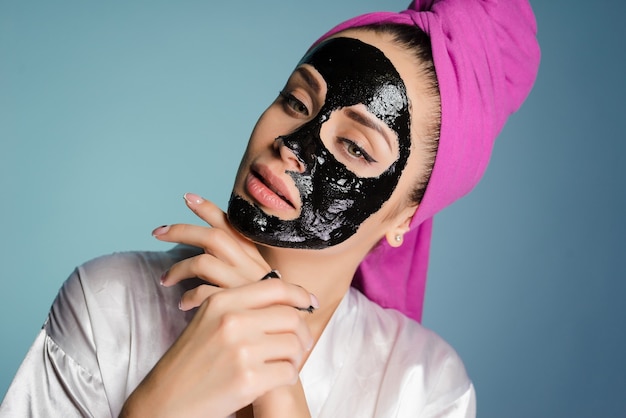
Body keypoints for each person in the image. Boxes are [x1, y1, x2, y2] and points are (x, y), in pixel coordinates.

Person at [0, 0, 540, 417]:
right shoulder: (107, 302)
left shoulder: (423, 386)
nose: (293, 145)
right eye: (297, 102)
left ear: (407, 217)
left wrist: (280, 391)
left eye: (355, 146)